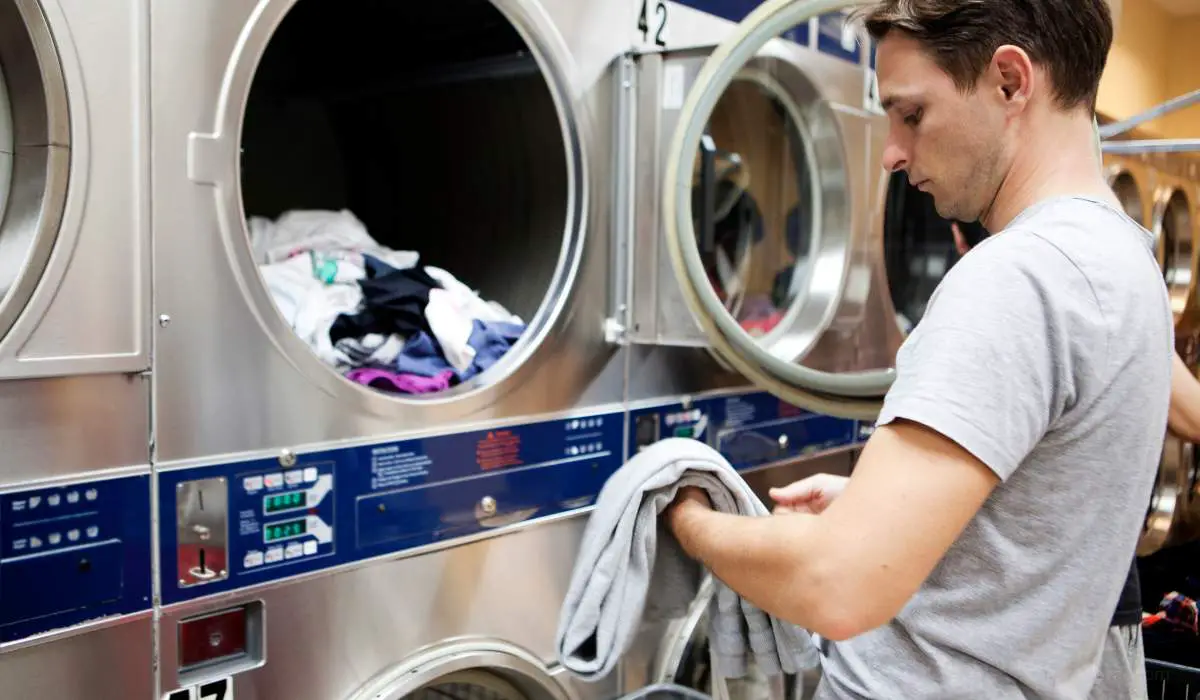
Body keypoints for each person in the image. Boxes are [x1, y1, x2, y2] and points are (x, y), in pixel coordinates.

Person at [664, 1, 1175, 697]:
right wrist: (879, 506)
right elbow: (1052, 513)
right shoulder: (1124, 256)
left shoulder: (1014, 279)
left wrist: (688, 515)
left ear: (1009, 82)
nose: (894, 154)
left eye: (911, 115)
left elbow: (836, 583)